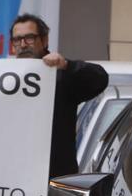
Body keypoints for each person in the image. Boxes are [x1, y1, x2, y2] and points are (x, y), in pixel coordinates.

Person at [8, 13, 108, 179]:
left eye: (29, 38)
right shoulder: (3, 78)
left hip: (53, 181)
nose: (23, 44)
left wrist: (67, 65)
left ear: (45, 40)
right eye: (17, 40)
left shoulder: (61, 76)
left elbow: (100, 79)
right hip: (13, 177)